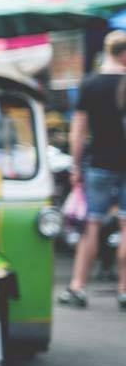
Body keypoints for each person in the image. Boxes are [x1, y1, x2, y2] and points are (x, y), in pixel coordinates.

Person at [58, 30, 126, 311]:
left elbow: (78, 131)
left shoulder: (90, 84)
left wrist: (75, 165)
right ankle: (124, 289)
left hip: (98, 163)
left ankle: (78, 286)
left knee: (91, 227)